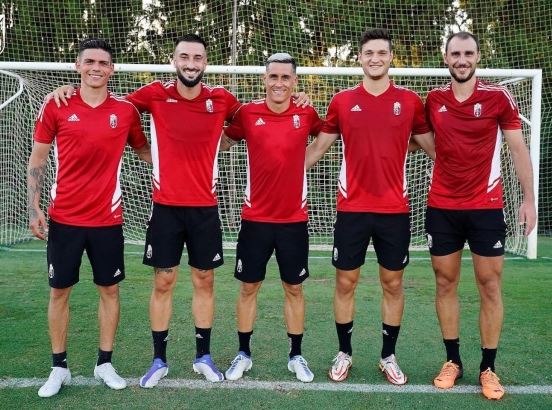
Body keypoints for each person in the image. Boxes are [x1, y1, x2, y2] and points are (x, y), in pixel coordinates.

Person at [48, 34, 311, 386]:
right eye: (184, 56)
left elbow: (259, 111)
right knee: (164, 281)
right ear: (175, 61)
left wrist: (298, 98)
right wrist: (66, 88)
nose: (191, 63)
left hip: (205, 209)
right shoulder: (153, 94)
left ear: (205, 63)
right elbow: (109, 102)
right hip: (165, 209)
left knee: (205, 280)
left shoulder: (222, 100)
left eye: (198, 57)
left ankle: (203, 356)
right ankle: (159, 360)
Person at [305, 28, 435, 385]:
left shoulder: (409, 102)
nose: (375, 58)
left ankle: (387, 356)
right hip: (352, 209)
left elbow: (433, 148)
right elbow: (316, 151)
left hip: (395, 210)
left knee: (393, 284)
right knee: (346, 282)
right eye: (369, 53)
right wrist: (277, 169)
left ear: (391, 57)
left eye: (382, 52)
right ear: (359, 58)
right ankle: (344, 352)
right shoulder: (342, 102)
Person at [29, 38, 152, 398]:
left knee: (109, 290)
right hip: (64, 218)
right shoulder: (56, 105)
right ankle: (59, 368)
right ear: (78, 66)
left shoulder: (126, 111)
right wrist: (34, 207)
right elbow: (38, 160)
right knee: (59, 291)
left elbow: (143, 149)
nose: (96, 67)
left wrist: (187, 159)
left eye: (103, 63)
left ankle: (105, 363)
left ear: (111, 69)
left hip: (108, 220)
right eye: (90, 62)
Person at [425, 31, 536, 400]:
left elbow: (518, 148)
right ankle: (452, 361)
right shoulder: (433, 100)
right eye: (455, 53)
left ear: (477, 57)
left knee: (490, 285)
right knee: (445, 283)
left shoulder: (498, 97)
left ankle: (488, 368)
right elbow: (409, 134)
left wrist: (528, 199)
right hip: (441, 206)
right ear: (446, 58)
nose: (461, 59)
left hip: (485, 207)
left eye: (468, 53)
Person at [219, 53, 324, 383]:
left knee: (294, 288)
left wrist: (300, 164)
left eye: (285, 77)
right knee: (249, 287)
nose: (279, 83)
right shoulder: (248, 114)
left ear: (295, 82)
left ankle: (296, 356)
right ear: (265, 79)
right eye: (273, 77)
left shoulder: (306, 112)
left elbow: (329, 135)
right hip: (256, 219)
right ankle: (243, 354)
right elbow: (221, 142)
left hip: (294, 219)